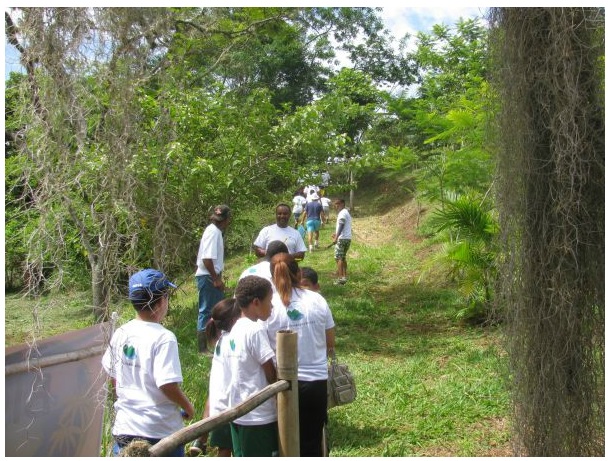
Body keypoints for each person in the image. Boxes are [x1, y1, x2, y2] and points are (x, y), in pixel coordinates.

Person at [102, 269, 195, 457]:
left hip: (125, 428)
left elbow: (113, 377)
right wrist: (187, 407)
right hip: (159, 432)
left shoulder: (122, 332)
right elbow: (167, 384)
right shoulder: (163, 337)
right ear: (161, 301)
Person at [265, 253, 335, 457]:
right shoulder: (317, 300)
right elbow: (330, 342)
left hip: (283, 385)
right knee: (312, 442)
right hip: (316, 383)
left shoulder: (270, 306)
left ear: (272, 278)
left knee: (285, 445)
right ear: (299, 273)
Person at [223, 276, 278, 457]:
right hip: (258, 415)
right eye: (269, 301)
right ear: (256, 302)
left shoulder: (235, 329)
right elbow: (270, 372)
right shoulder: (256, 330)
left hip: (238, 411)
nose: (272, 307)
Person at [189, 298, 242, 457]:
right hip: (227, 405)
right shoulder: (232, 341)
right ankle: (201, 439)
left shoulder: (221, 341)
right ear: (235, 320)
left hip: (217, 405)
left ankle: (201, 439)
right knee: (226, 450)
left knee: (224, 448)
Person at [195, 205, 231, 353]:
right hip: (208, 276)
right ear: (228, 219)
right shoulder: (213, 232)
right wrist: (216, 279)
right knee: (207, 310)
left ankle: (214, 343)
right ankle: (203, 348)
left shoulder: (215, 231)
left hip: (210, 275)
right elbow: (207, 259)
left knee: (215, 310)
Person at [331, 198, 352, 285]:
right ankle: (344, 276)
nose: (336, 206)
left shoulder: (342, 213)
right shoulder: (346, 212)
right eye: (335, 204)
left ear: (343, 204)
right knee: (342, 257)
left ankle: (341, 279)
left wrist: (336, 237)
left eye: (338, 204)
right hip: (347, 238)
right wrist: (336, 234)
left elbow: (342, 224)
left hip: (342, 238)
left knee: (338, 257)